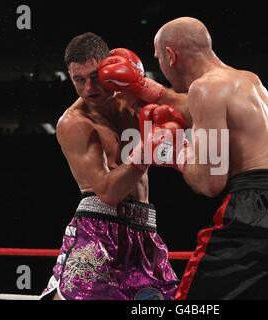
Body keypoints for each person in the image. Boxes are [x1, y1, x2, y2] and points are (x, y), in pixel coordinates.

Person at [98, 17, 268, 300]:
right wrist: (149, 90)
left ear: (171, 56)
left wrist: (173, 151)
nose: (159, 64)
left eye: (159, 58)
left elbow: (209, 182)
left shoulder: (204, 89)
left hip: (256, 215)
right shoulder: (246, 80)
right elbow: (196, 107)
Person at [40, 32, 178, 300]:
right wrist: (146, 151)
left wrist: (148, 88)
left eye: (94, 77)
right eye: (79, 80)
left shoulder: (131, 100)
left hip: (144, 230)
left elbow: (183, 117)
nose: (89, 88)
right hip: (98, 229)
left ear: (109, 68)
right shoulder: (75, 123)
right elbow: (108, 192)